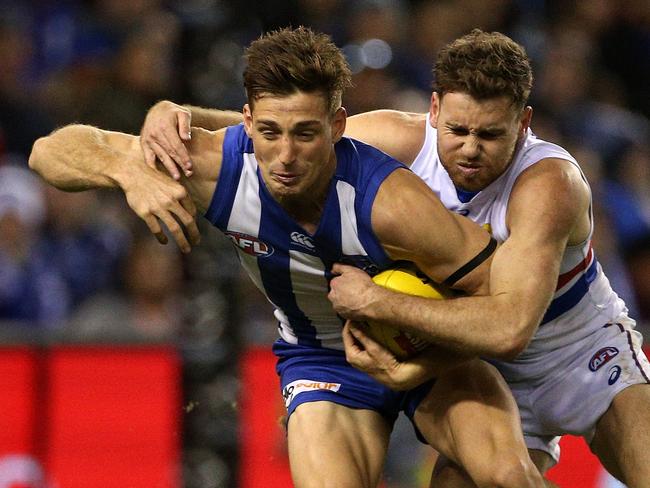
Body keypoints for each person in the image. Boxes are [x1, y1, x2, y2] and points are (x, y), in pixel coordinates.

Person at [29, 27, 545, 488]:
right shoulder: (213, 167)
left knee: (508, 478)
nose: (287, 156)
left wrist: (418, 360)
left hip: (428, 351)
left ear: (338, 125)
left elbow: (502, 310)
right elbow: (49, 152)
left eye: (306, 133)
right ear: (248, 122)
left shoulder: (394, 203)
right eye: (271, 133)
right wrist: (130, 172)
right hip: (323, 360)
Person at [138, 29, 650, 487]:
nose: (470, 149)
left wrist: (378, 302)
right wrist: (180, 116)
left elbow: (511, 329)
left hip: (579, 354)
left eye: (490, 134)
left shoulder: (548, 184)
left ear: (524, 122)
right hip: (477, 363)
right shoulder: (395, 138)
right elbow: (293, 129)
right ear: (432, 111)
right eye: (457, 130)